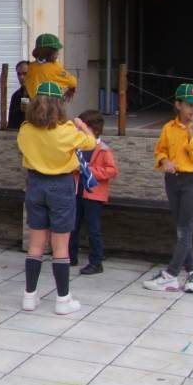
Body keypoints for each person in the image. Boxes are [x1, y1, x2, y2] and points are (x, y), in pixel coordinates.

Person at [17, 81, 97, 316]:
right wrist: (82, 125)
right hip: (61, 186)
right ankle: (63, 299)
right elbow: (91, 143)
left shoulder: (25, 129)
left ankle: (29, 297)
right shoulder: (68, 131)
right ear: (60, 105)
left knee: (35, 244)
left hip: (35, 184)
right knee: (60, 246)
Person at [144, 83, 193, 294]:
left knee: (185, 228)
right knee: (181, 228)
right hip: (172, 180)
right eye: (189, 105)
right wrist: (164, 161)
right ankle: (192, 273)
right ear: (178, 105)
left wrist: (192, 135)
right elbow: (160, 151)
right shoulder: (168, 128)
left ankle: (171, 274)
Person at [69, 110, 118, 275]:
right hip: (77, 191)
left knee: (93, 229)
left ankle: (96, 262)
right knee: (72, 225)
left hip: (94, 195)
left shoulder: (103, 149)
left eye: (82, 128)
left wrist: (88, 170)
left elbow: (111, 171)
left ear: (93, 130)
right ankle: (70, 256)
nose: (78, 131)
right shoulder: (78, 146)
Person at [25, 33, 77, 101]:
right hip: (50, 104)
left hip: (33, 104)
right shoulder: (55, 69)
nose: (58, 53)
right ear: (50, 53)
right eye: (56, 50)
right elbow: (72, 82)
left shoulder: (31, 67)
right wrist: (72, 90)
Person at [7, 60, 30, 131]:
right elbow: (11, 121)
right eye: (19, 74)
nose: (21, 77)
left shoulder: (39, 95)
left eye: (25, 74)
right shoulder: (16, 96)